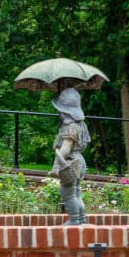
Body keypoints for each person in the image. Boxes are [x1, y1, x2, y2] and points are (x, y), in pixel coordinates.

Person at [48, 88, 91, 225]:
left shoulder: (70, 127)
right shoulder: (80, 125)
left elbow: (66, 148)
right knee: (77, 192)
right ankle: (81, 218)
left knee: (68, 193)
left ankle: (74, 219)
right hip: (80, 161)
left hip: (70, 161)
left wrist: (56, 166)